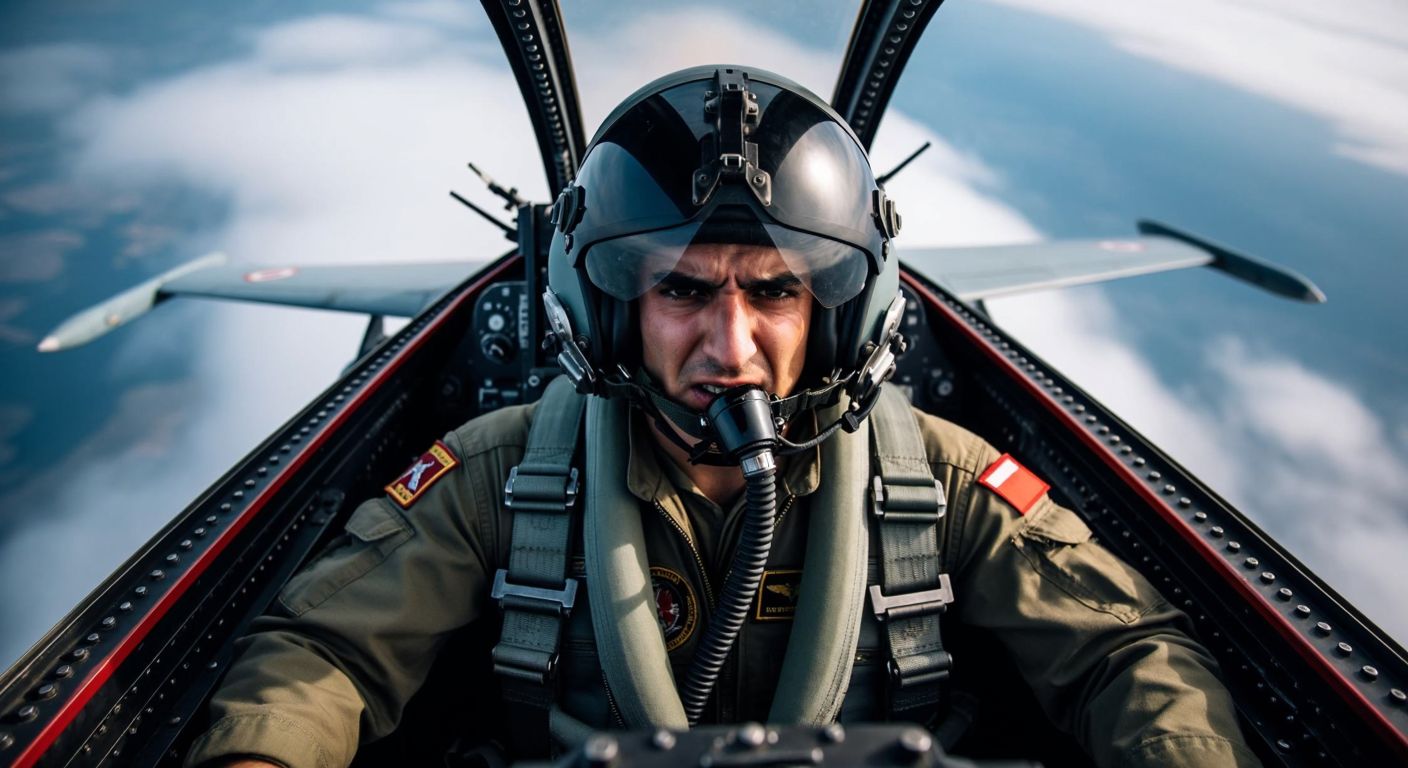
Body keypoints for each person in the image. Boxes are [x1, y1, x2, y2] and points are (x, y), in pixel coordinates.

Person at [187, 66, 1260, 768]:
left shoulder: (932, 481)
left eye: (777, 291)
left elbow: (1125, 656)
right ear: (614, 313)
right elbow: (323, 651)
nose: (732, 346)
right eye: (684, 291)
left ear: (835, 316)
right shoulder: (503, 475)